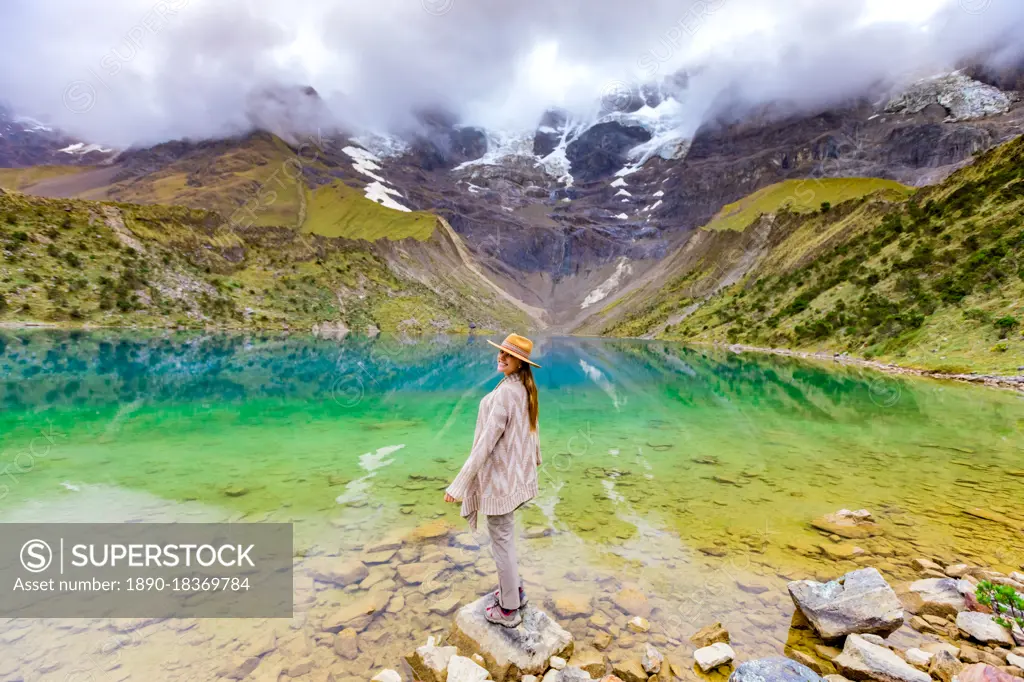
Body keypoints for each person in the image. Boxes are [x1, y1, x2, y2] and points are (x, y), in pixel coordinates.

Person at [444, 333, 542, 627]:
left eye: (507, 356)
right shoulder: (524, 389)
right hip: (512, 481)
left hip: (500, 485)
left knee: (501, 544)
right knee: (505, 539)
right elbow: (532, 433)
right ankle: (516, 591)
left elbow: (485, 445)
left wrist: (459, 485)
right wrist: (531, 466)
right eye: (501, 353)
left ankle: (509, 609)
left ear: (520, 363)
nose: (501, 358)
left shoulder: (506, 394)